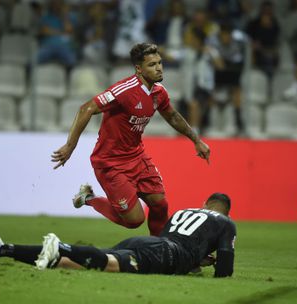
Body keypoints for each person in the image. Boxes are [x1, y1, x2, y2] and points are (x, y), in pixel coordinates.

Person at [52, 43, 210, 236]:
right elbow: (86, 109)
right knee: (135, 220)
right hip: (110, 163)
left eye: (160, 63)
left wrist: (196, 140)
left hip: (137, 157)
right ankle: (89, 198)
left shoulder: (158, 92)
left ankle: (160, 251)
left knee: (160, 204)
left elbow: (173, 116)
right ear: (139, 69)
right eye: (152, 65)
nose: (159, 67)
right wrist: (70, 146)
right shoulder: (124, 90)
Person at [0, 193, 236, 278]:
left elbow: (175, 241)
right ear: (226, 212)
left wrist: (198, 259)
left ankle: (4, 249)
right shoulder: (226, 223)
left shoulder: (184, 211)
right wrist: (206, 263)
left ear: (205, 204)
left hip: (148, 244)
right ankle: (61, 246)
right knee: (104, 263)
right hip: (162, 254)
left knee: (83, 263)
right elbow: (224, 271)